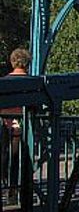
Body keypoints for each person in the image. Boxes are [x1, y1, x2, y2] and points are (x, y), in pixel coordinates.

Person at [1, 48, 30, 206]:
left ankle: (8, 189)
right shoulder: (32, 81)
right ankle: (16, 191)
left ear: (12, 62)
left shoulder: (5, 81)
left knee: (7, 160)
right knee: (19, 161)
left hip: (5, 126)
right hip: (23, 129)